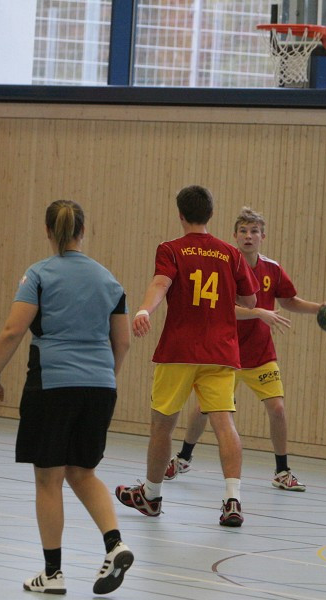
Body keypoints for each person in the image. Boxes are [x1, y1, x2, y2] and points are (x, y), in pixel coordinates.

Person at [0, 199, 133, 596]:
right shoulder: (109, 280)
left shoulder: (39, 274)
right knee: (83, 472)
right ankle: (115, 542)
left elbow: (13, 331)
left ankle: (52, 574)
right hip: (100, 386)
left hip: (53, 383)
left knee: (48, 478)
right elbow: (123, 341)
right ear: (84, 232)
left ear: (49, 232)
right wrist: (103, 379)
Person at [115, 185, 258, 527]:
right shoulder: (230, 253)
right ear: (211, 214)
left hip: (180, 349)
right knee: (224, 423)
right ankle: (233, 500)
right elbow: (251, 303)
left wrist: (144, 310)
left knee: (163, 425)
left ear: (180, 214)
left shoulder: (171, 249)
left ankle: (150, 496)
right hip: (221, 350)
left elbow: (161, 284)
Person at [163, 207, 326, 492]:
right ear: (235, 235)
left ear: (263, 237)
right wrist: (260, 313)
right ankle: (184, 457)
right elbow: (224, 307)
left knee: (277, 408)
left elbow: (289, 300)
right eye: (243, 231)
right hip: (227, 353)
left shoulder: (272, 269)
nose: (248, 236)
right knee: (204, 408)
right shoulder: (225, 264)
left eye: (254, 232)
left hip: (261, 354)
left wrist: (319, 309)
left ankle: (282, 470)